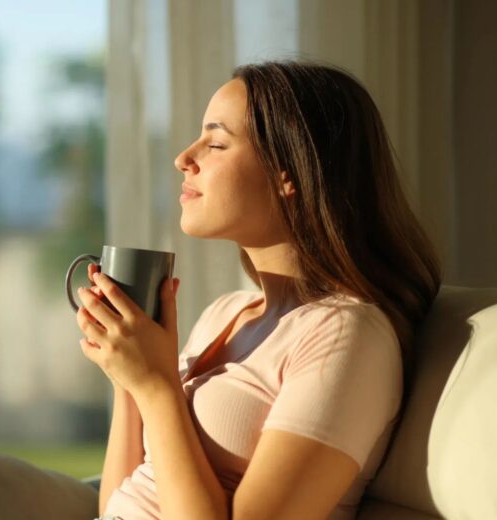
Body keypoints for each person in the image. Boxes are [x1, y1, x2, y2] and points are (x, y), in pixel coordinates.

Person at [74, 61, 441, 520]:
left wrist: (156, 386)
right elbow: (120, 503)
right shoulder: (224, 313)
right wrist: (128, 373)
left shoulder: (347, 335)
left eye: (216, 142)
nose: (183, 158)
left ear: (290, 172)